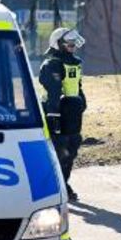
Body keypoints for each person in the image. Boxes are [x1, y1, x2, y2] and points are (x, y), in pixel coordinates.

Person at [40, 28, 87, 203]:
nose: (73, 46)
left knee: (72, 149)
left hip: (72, 111)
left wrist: (82, 102)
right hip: (57, 112)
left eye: (74, 43)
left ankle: (63, 184)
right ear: (58, 43)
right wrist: (53, 118)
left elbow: (77, 86)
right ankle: (57, 188)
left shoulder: (74, 62)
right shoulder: (52, 64)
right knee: (60, 151)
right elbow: (53, 92)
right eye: (69, 43)